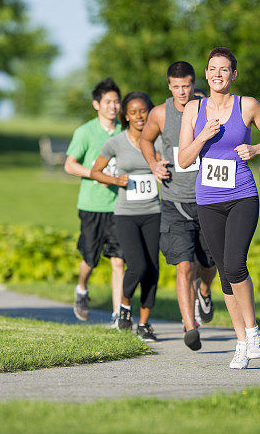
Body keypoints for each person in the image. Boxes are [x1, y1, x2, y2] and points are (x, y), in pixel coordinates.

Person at [178, 47, 260, 369]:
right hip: (208, 201)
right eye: (212, 69)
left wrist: (257, 148)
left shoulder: (246, 105)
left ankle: (252, 332)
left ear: (233, 74)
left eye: (224, 69)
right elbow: (183, 159)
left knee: (235, 265)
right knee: (225, 276)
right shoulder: (194, 109)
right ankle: (240, 342)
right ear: (206, 74)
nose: (217, 74)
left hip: (241, 195)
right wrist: (202, 137)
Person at [140, 61, 217, 351]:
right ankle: (190, 326)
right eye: (176, 87)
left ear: (194, 83)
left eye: (186, 85)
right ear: (169, 86)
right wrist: (153, 163)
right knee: (184, 265)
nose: (182, 91)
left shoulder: (208, 106)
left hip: (208, 197)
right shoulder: (160, 113)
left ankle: (205, 290)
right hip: (174, 200)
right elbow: (146, 139)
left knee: (209, 263)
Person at [91, 92, 163, 341]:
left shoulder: (159, 141)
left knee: (152, 269)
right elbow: (95, 171)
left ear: (150, 111)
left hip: (153, 212)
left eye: (143, 110)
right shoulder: (116, 143)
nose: (139, 116)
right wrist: (115, 179)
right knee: (137, 265)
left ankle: (144, 324)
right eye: (133, 112)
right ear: (126, 116)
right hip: (126, 215)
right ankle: (124, 306)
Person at [64, 78, 125, 325]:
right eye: (108, 102)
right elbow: (69, 165)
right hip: (92, 206)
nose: (113, 106)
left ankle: (118, 316)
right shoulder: (85, 132)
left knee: (119, 261)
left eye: (116, 101)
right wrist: (97, 175)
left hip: (120, 206)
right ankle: (81, 288)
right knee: (90, 259)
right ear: (96, 104)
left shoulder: (126, 130)